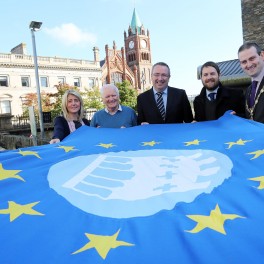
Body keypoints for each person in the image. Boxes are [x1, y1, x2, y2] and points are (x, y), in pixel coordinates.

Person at [238, 42, 264, 123]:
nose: (248, 64)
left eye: (252, 58)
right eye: (244, 62)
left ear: (262, 56)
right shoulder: (249, 90)